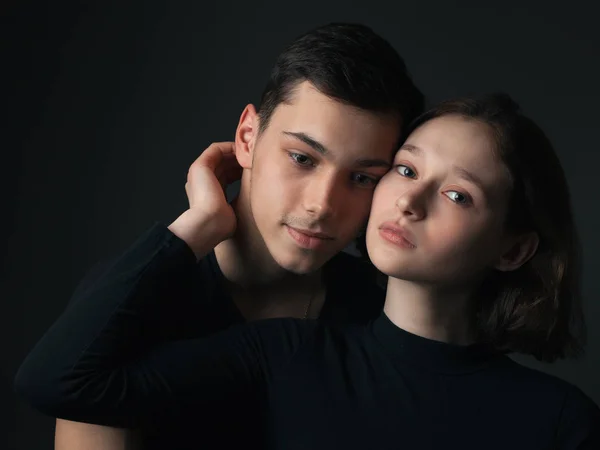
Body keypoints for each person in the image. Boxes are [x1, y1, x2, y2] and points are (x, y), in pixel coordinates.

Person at [16, 93, 600, 449]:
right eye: (402, 170)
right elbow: (57, 379)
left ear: (514, 250)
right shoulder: (286, 355)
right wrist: (198, 225)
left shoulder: (560, 422)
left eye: (458, 196)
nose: (408, 201)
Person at [33, 22, 424, 449]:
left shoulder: (383, 312)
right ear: (247, 138)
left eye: (363, 178)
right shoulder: (133, 302)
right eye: (301, 158)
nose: (323, 205)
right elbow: (55, 382)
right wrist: (200, 223)